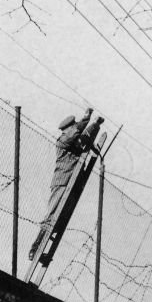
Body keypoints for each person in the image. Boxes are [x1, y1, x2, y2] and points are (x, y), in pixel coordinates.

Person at [28, 109, 104, 259]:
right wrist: (86, 118)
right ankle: (35, 247)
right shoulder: (63, 141)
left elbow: (84, 134)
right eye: (74, 127)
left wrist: (96, 124)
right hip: (62, 183)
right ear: (67, 129)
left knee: (62, 217)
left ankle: (43, 249)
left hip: (73, 185)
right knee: (52, 216)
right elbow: (77, 132)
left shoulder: (73, 141)